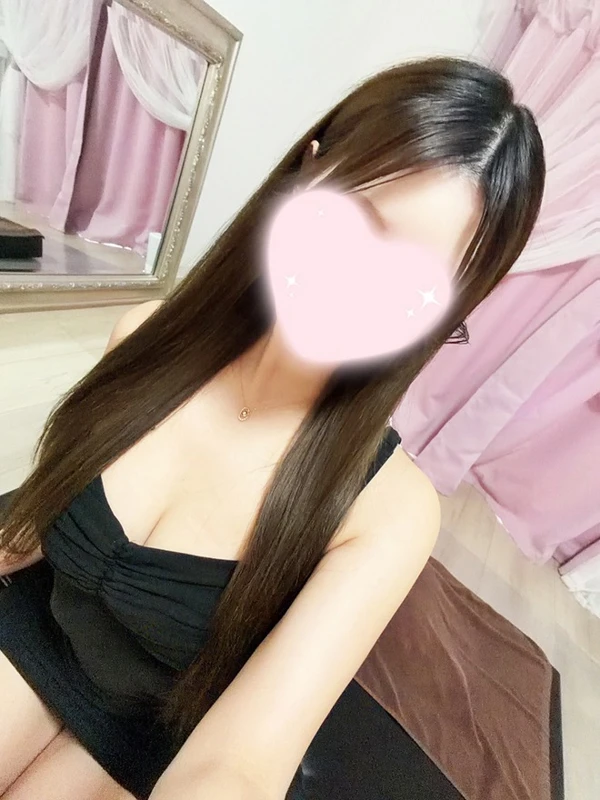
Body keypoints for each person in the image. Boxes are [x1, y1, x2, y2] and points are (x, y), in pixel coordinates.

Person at [0, 56, 544, 800]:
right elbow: (33, 524)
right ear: (307, 174)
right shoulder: (143, 338)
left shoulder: (387, 510)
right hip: (36, 626)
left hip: (157, 735)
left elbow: (240, 765)